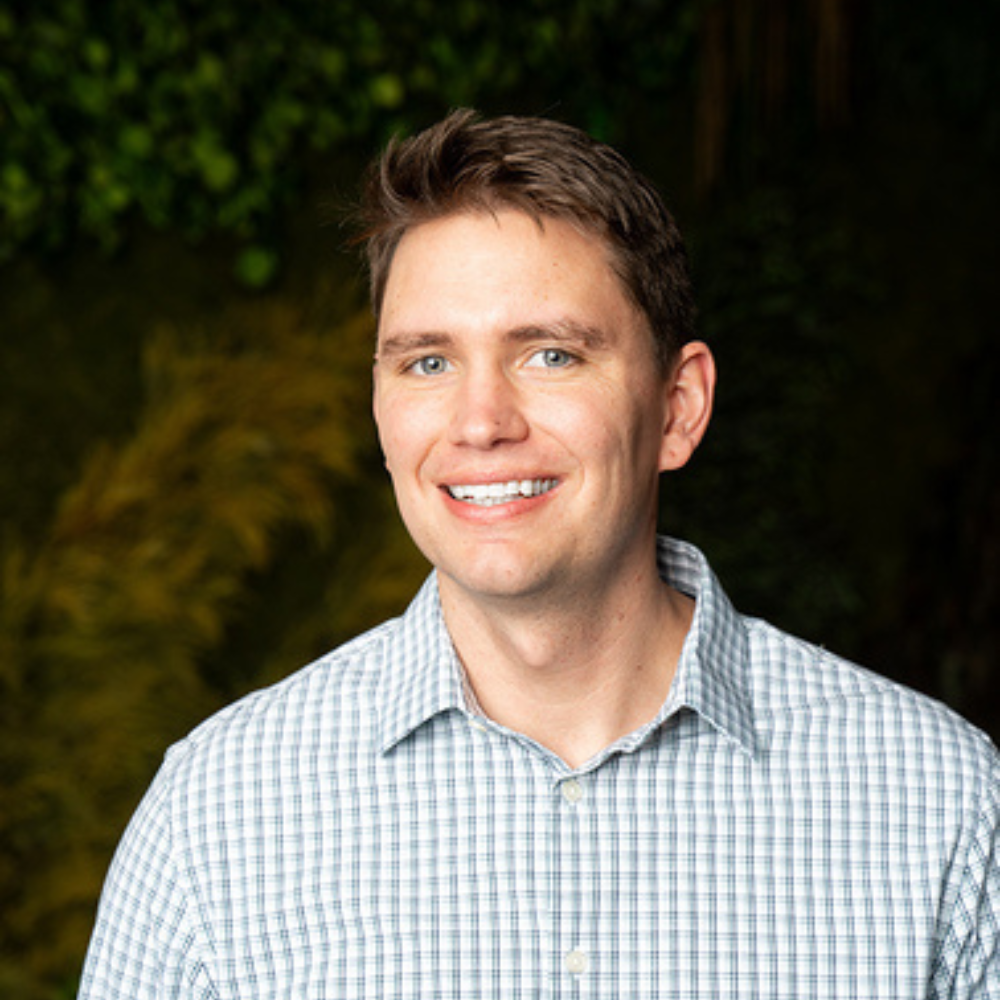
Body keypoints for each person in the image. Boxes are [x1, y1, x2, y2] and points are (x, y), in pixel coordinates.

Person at [78, 109, 999, 999]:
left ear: (678, 406)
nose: (481, 423)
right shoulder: (217, 815)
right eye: (427, 363)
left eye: (550, 355)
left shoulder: (938, 806)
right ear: (379, 408)